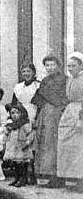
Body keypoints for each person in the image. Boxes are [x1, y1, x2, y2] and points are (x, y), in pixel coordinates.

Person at [32, 54, 67, 188]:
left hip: (57, 114)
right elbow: (38, 97)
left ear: (58, 66)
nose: (50, 67)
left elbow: (64, 97)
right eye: (47, 65)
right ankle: (48, 175)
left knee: (55, 144)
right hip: (45, 114)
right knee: (45, 144)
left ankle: (58, 176)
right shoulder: (45, 81)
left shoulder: (64, 80)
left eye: (52, 65)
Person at [57, 51, 83, 190]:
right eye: (69, 66)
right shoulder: (70, 79)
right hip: (69, 111)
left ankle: (79, 180)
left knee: (78, 148)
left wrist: (81, 120)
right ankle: (70, 179)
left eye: (73, 66)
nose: (70, 68)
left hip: (79, 112)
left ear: (81, 66)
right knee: (67, 147)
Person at [2, 103, 35, 188]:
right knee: (15, 163)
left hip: (22, 147)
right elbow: (7, 135)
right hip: (13, 147)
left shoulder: (25, 124)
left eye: (17, 113)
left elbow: (30, 134)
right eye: (12, 113)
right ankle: (17, 177)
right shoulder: (10, 125)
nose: (15, 115)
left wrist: (27, 142)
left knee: (22, 164)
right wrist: (5, 141)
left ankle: (23, 179)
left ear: (22, 113)